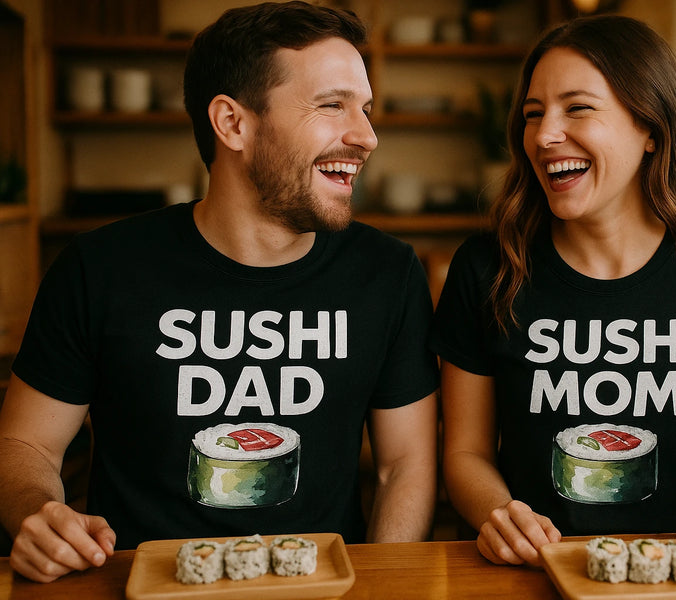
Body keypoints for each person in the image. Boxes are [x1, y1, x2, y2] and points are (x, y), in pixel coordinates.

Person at [0, 1, 439, 583]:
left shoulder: (388, 272)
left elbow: (404, 465)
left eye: (365, 109)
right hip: (136, 589)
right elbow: (25, 446)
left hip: (316, 588)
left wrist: (381, 585)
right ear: (233, 123)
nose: (367, 136)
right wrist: (38, 513)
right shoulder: (99, 267)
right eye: (332, 106)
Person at [429, 14, 676, 569]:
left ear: (651, 128)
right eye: (533, 115)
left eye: (578, 108)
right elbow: (464, 453)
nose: (543, 136)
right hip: (537, 573)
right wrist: (499, 512)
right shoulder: (486, 267)